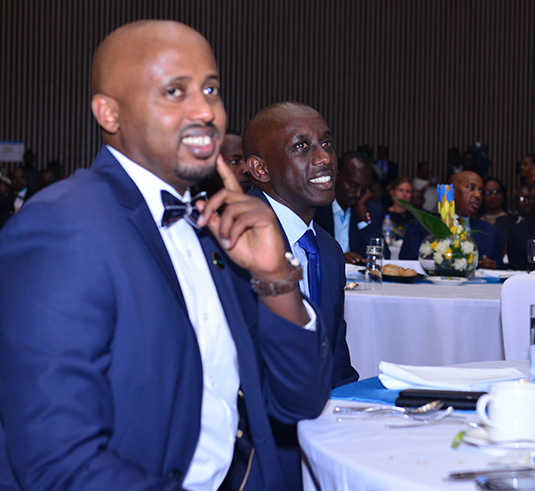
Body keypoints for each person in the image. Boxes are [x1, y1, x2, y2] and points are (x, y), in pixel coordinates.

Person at [0, 20, 331, 490]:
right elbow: (60, 463)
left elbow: (299, 402)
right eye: (175, 91)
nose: (206, 111)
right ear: (109, 113)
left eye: (211, 89)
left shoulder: (214, 227)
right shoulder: (64, 227)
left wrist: (275, 277)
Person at [243, 101, 359, 487]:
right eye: (301, 146)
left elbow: (336, 363)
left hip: (320, 440)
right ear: (260, 169)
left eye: (327, 143)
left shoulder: (327, 249)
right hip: (254, 457)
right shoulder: (236, 241)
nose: (325, 158)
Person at [399, 170, 502, 269]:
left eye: (481, 191)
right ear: (451, 191)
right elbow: (407, 266)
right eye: (471, 188)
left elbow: (501, 273)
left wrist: (491, 269)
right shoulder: (421, 227)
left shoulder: (491, 233)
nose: (478, 195)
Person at [313, 151, 385, 264]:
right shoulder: (316, 208)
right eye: (353, 185)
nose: (358, 194)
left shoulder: (371, 210)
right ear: (336, 176)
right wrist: (338, 258)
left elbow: (383, 255)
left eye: (363, 188)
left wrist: (363, 222)